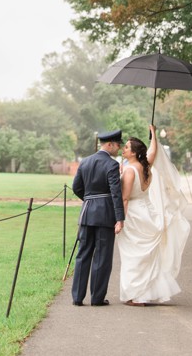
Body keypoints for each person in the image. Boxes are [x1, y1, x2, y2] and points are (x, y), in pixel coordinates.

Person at [116, 125, 190, 305]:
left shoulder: (129, 170)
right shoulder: (145, 166)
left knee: (132, 256)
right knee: (145, 257)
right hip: (147, 211)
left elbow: (125, 198)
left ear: (133, 153)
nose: (123, 149)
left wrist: (120, 221)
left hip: (133, 214)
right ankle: (143, 292)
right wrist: (154, 135)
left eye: (126, 147)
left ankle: (134, 295)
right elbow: (153, 152)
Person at [71, 129, 125, 306]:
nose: (118, 149)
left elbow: (76, 187)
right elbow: (116, 193)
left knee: (83, 255)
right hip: (105, 215)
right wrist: (120, 218)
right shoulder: (112, 165)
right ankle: (97, 298)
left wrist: (89, 200)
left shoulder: (85, 162)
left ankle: (77, 298)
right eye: (117, 145)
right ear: (109, 144)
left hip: (87, 213)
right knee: (102, 257)